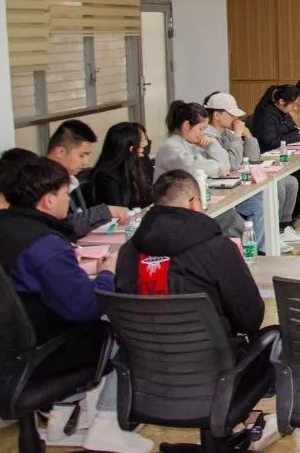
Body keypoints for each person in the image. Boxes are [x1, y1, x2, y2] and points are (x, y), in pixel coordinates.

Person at [0, 155, 153, 452]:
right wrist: (107, 273)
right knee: (128, 320)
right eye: (64, 193)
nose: (68, 199)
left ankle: (62, 419)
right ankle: (107, 424)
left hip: (10, 350)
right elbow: (86, 307)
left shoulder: (7, 228)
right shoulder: (43, 244)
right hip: (39, 354)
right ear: (47, 200)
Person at [115, 169, 280, 450]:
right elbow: (250, 318)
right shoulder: (217, 249)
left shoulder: (128, 252)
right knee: (275, 338)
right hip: (216, 378)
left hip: (147, 379)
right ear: (193, 203)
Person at [204, 91, 300, 254]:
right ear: (216, 115)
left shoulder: (227, 133)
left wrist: (248, 135)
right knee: (259, 204)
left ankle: (270, 238)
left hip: (236, 184)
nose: (235, 119)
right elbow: (232, 164)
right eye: (231, 115)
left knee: (265, 198)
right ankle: (262, 248)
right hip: (220, 191)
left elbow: (253, 157)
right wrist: (238, 135)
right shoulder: (208, 137)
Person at [155, 100, 245, 238]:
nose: (202, 134)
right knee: (232, 220)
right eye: (201, 129)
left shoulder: (190, 143)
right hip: (173, 209)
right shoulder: (170, 148)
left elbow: (226, 165)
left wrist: (212, 144)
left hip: (191, 203)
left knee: (232, 217)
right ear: (186, 125)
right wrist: (220, 168)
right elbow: (194, 166)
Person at [46, 119, 130, 238]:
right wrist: (104, 211)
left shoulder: (70, 178)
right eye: (81, 155)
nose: (85, 162)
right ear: (60, 152)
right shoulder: (41, 183)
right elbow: (61, 226)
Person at [252, 84, 300, 226]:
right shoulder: (266, 115)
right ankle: (286, 222)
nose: (294, 107)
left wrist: (298, 133)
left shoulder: (283, 113)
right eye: (292, 103)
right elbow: (271, 142)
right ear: (281, 102)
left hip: (285, 155)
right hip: (270, 160)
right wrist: (297, 135)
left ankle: (287, 223)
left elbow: (291, 130)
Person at [80, 122, 152, 210]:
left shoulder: (141, 162)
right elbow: (118, 210)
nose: (146, 143)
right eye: (143, 139)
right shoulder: (106, 177)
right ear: (131, 148)